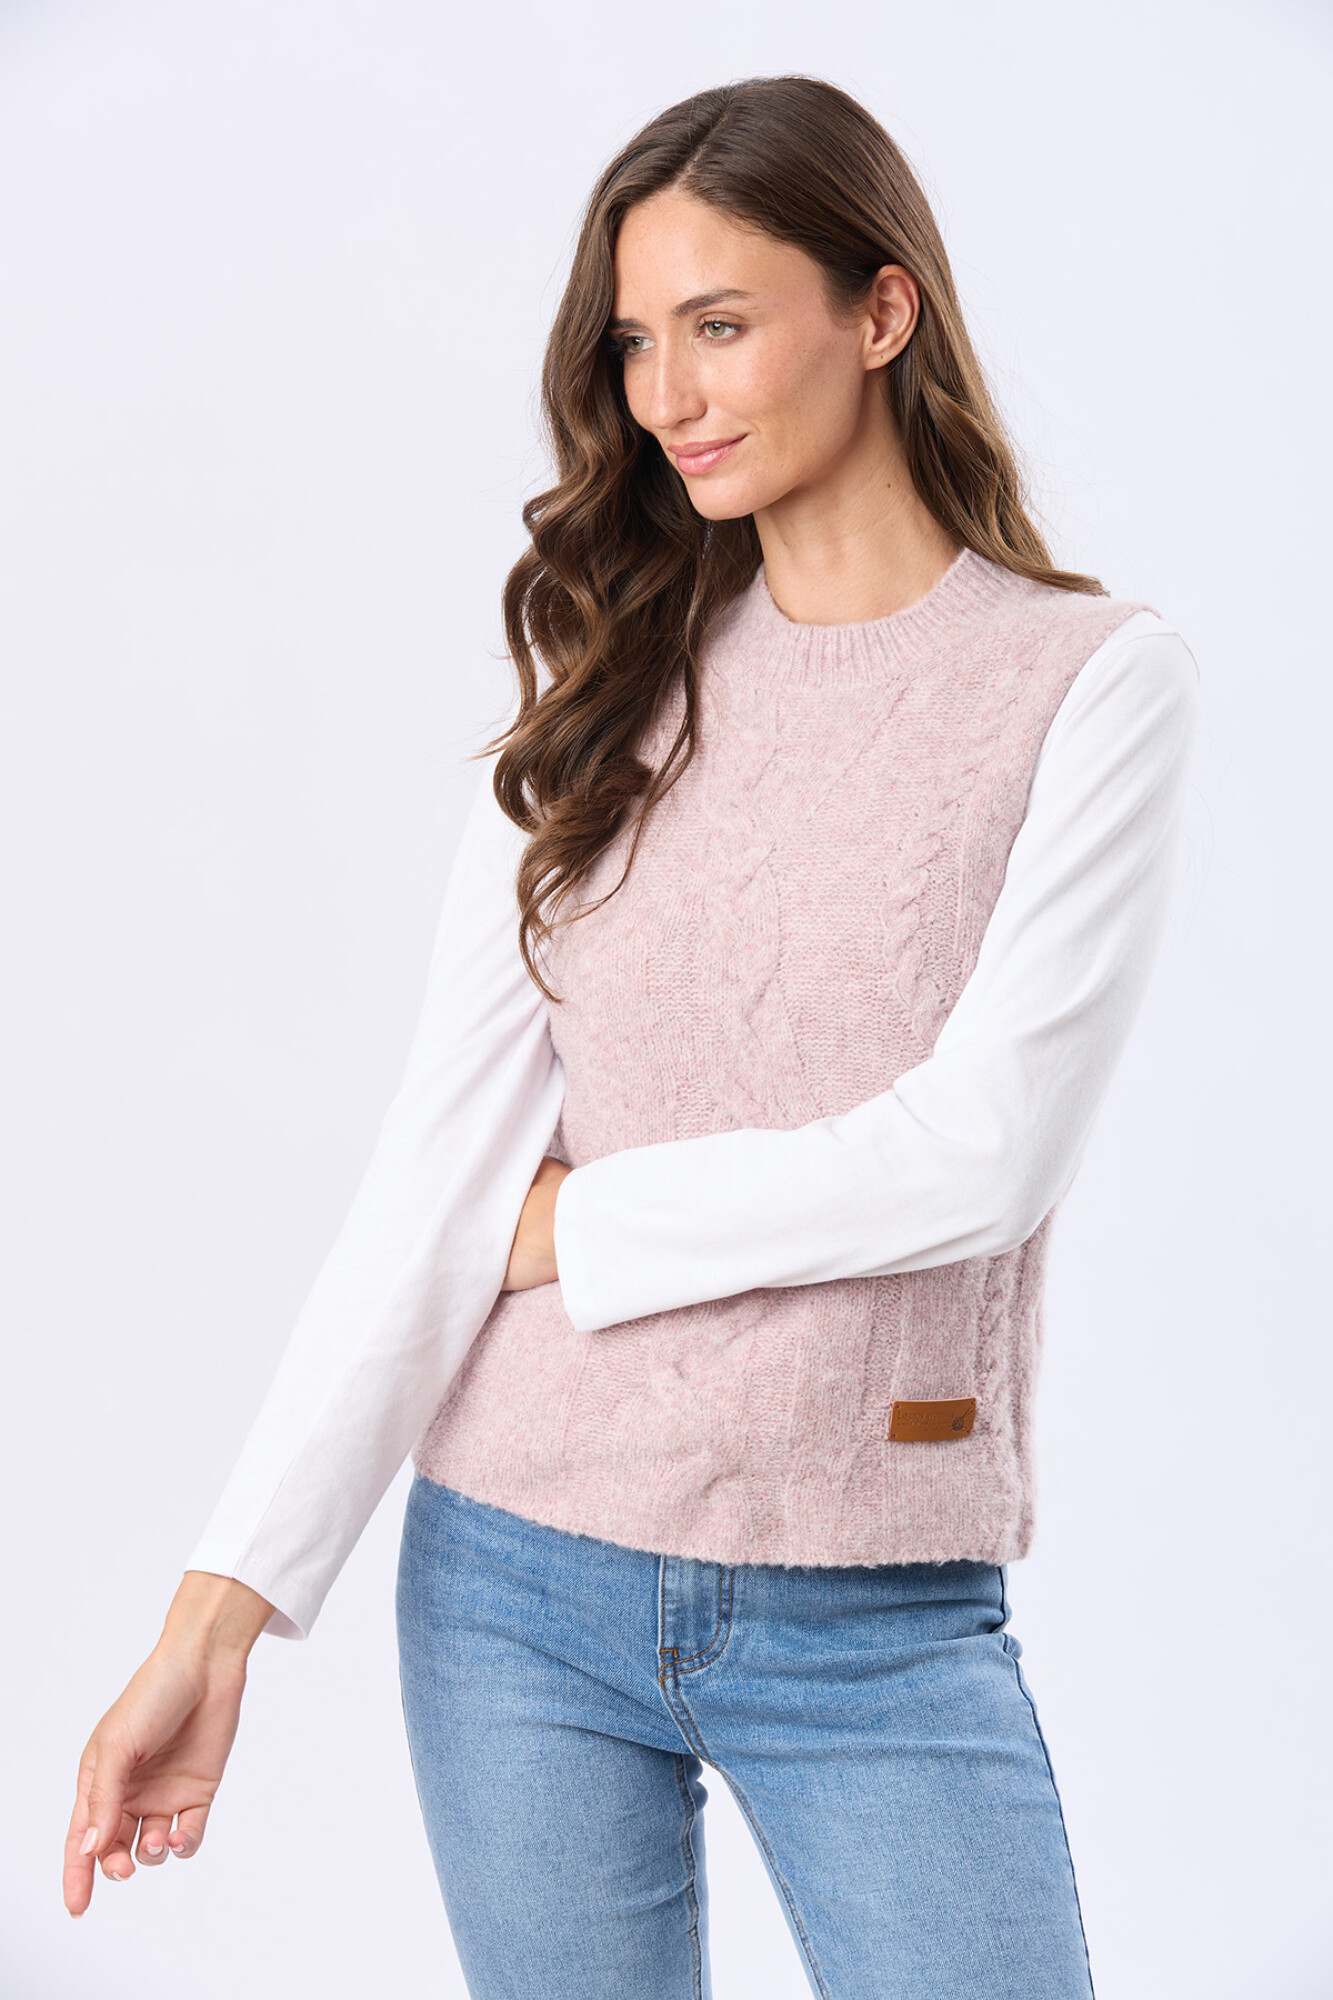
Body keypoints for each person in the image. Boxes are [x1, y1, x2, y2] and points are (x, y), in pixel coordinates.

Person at [63, 74, 1199, 2000]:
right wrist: (219, 1610)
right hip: (511, 1577)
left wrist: (574, 1228)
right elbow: (438, 1178)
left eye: (720, 325)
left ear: (881, 311)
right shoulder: (607, 686)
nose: (667, 393)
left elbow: (981, 1155)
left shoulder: (1086, 687)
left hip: (875, 1610)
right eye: (634, 341)